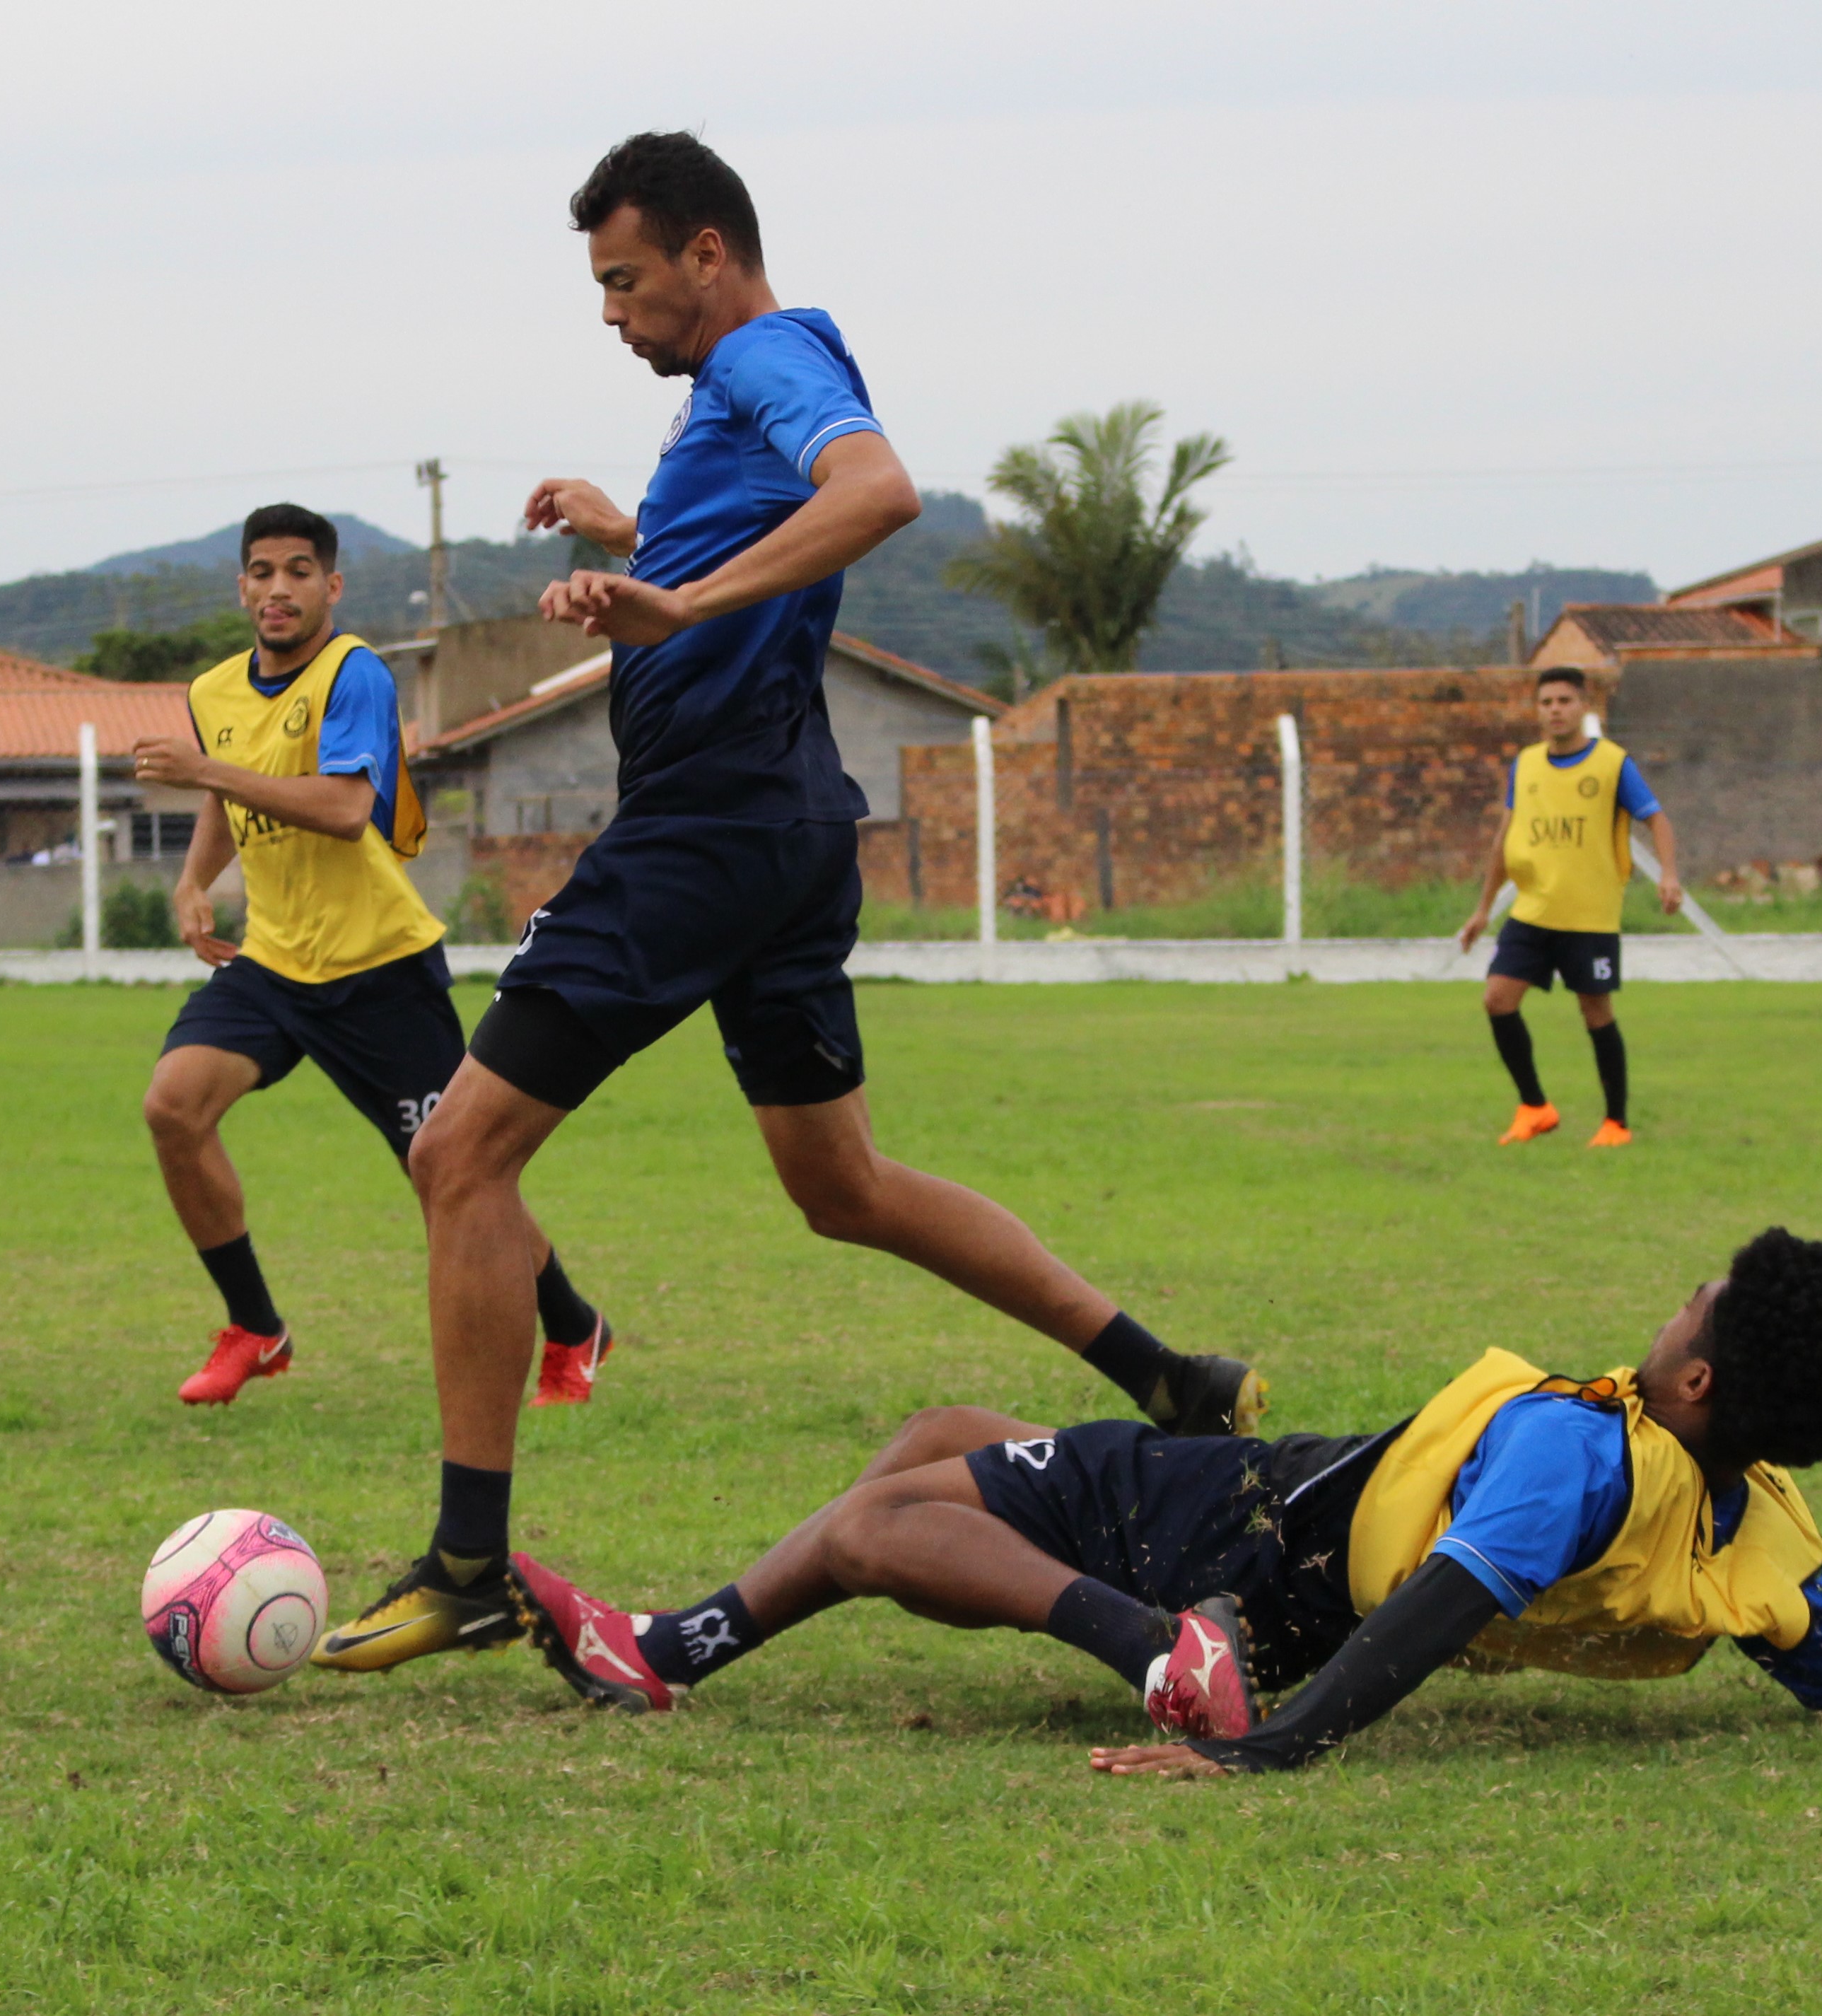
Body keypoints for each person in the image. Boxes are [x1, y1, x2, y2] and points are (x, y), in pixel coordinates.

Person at [312, 132, 1256, 1672]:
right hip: (789, 820)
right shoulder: (726, 399)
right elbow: (766, 532)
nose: (608, 311)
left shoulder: (766, 351)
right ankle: (1168, 1379)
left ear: (703, 251)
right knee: (842, 1186)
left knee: (458, 1151)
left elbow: (875, 489)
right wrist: (632, 540)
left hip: (711, 822)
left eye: (622, 278)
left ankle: (469, 1561)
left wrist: (674, 599)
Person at [511, 1228, 1822, 1775]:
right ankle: (1158, 1636)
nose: (1678, 1304)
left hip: (1253, 1531)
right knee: (937, 1440)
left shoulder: (1583, 1444)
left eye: (1698, 1303)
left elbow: (1437, 1612)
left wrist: (1264, 1743)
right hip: (1280, 1562)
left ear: (1699, 1375)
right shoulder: (1761, 1532)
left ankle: (662, 1651)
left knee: (889, 1519)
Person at [130, 503, 610, 1411]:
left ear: (332, 587)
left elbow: (347, 806)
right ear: (242, 587)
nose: (279, 588)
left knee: (453, 1176)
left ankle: (574, 1322)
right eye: (263, 572)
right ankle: (254, 1327)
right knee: (173, 1106)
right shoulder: (214, 693)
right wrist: (195, 883)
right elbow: (221, 800)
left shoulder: (355, 674)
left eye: (299, 571)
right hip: (272, 962)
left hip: (379, 969)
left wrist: (209, 775)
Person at [1456, 666, 1681, 1148]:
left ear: (1582, 707)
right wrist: (1482, 908)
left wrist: (1668, 874)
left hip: (1588, 915)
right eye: (1546, 702)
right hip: (1532, 911)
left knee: (1595, 1011)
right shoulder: (1527, 764)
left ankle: (1615, 1123)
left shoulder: (1611, 763)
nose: (1554, 709)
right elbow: (1505, 837)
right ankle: (1535, 1106)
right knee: (1496, 999)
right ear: (1536, 710)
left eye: (1564, 700)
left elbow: (1655, 818)